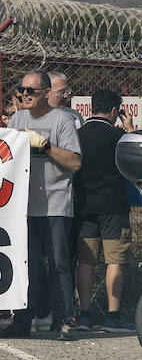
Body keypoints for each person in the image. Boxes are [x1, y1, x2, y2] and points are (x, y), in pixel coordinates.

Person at [0, 70, 82, 339]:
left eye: (30, 91)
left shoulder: (63, 120)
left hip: (56, 203)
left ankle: (65, 319)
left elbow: (75, 162)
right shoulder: (17, 118)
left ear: (46, 92)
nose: (24, 95)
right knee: (27, 265)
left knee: (58, 263)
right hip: (24, 207)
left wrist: (44, 144)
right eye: (21, 90)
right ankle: (24, 319)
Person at [73, 89, 133, 332]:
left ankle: (84, 314)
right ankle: (113, 316)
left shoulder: (77, 135)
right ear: (113, 111)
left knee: (85, 262)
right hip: (113, 207)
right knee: (115, 260)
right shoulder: (118, 135)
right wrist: (128, 128)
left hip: (84, 206)